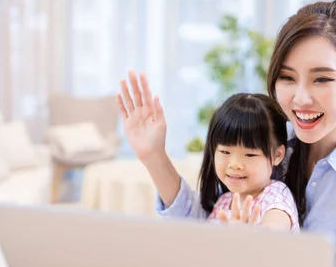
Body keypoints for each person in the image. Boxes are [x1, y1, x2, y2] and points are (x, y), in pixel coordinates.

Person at [121, 0, 336, 267]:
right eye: (287, 78)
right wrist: (154, 156)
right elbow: (207, 224)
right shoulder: (271, 143)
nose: (300, 98)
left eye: (321, 79)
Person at [117, 86, 300, 232]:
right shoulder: (225, 200)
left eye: (250, 154)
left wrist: (251, 240)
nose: (234, 164)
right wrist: (153, 154)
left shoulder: (275, 195)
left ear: (277, 155)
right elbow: (190, 219)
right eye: (225, 152)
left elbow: (276, 228)